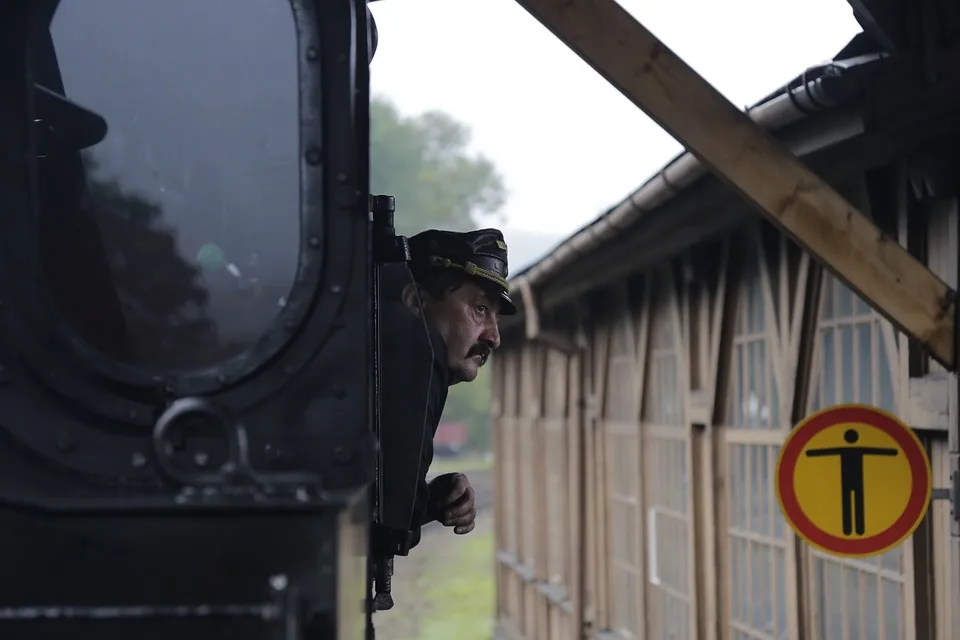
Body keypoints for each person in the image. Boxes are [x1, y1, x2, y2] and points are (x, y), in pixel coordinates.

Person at [377, 228, 516, 550]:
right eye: (480, 309)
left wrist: (433, 497)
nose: (494, 337)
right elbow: (394, 522)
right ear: (416, 302)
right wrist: (419, 502)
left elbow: (385, 508)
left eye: (495, 316)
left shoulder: (384, 353)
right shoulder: (416, 354)